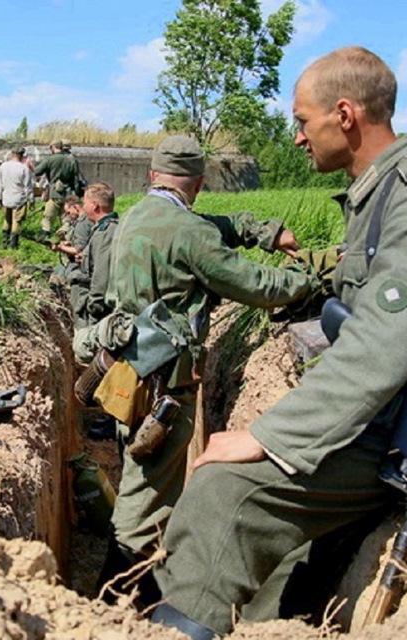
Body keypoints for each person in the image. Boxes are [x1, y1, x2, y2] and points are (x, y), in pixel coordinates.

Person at [150, 47, 407, 638]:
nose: (295, 137)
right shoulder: (383, 188)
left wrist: (266, 438)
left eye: (301, 120)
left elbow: (381, 346)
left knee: (219, 493)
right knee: (278, 566)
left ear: (344, 115)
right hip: (386, 409)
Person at [94, 134, 318, 606]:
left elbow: (205, 228)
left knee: (147, 482)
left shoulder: (138, 216)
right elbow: (255, 283)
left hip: (129, 375)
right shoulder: (188, 231)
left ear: (153, 176)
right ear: (197, 183)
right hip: (165, 386)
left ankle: (139, 585)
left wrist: (263, 230)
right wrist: (311, 277)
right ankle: (113, 602)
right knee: (145, 494)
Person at [72, 182, 118, 329]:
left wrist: (94, 307)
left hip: (97, 312)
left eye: (85, 202)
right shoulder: (107, 228)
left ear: (94, 205)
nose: (83, 207)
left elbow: (101, 273)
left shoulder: (105, 232)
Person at [33, 139, 81, 241]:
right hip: (68, 193)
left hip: (54, 192)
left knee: (48, 216)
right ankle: (65, 233)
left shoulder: (50, 159)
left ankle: (45, 236)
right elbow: (76, 178)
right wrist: (77, 192)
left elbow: (37, 171)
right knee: (66, 216)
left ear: (52, 147)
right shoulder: (72, 159)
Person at [0, 148, 33, 248]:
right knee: (16, 221)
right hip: (19, 199)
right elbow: (28, 187)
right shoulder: (24, 169)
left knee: (7, 220)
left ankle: (4, 242)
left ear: (12, 154)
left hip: (6, 198)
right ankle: (13, 244)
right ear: (22, 156)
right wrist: (31, 200)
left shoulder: (3, 167)